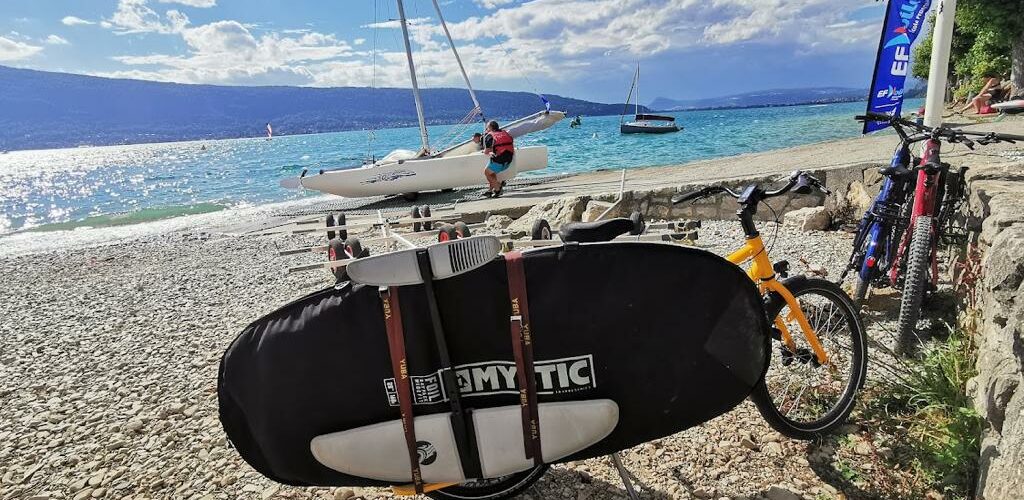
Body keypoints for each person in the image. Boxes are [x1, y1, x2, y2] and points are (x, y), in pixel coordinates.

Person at [481, 121, 513, 198]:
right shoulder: (505, 133)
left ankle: (498, 189)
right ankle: (490, 191)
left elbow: (486, 151)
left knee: (487, 172)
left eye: (487, 128)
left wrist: (485, 151)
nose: (486, 129)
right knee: (492, 173)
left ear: (491, 128)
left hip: (499, 161)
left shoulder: (489, 136)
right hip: (508, 161)